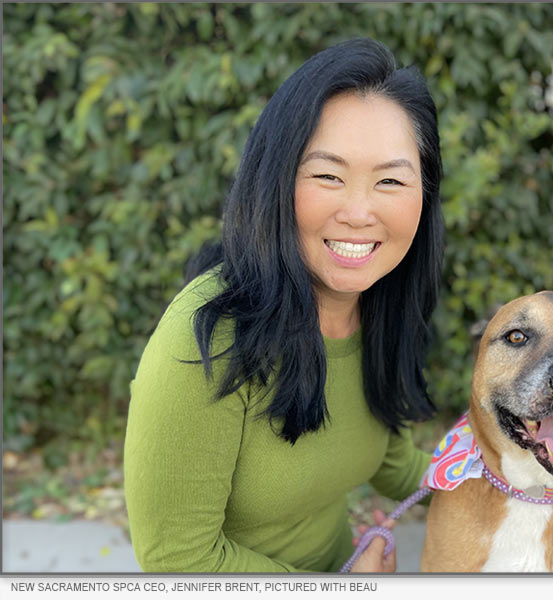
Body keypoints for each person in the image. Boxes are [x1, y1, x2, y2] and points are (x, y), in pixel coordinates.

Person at [123, 37, 444, 573]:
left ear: (424, 196)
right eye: (328, 176)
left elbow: (395, 467)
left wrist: (518, 478)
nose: (360, 212)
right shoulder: (208, 337)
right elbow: (177, 561)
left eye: (390, 180)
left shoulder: (377, 309)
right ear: (276, 180)